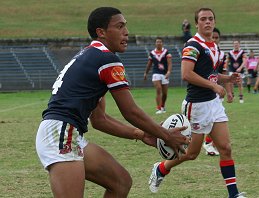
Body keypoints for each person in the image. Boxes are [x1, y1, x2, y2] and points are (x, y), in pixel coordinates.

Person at [35, 7, 189, 198]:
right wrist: (166, 135)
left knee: (121, 182)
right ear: (101, 32)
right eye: (120, 26)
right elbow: (130, 111)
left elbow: (99, 120)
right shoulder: (107, 59)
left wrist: (142, 134)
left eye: (126, 26)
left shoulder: (91, 56)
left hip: (65, 132)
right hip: (61, 133)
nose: (126, 32)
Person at [148, 8, 246, 198]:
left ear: (215, 22)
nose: (207, 22)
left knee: (225, 148)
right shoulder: (192, 45)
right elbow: (187, 74)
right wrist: (213, 86)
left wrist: (227, 78)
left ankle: (233, 194)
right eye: (203, 19)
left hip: (213, 104)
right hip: (197, 106)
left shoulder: (214, 46)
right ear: (197, 23)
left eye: (210, 18)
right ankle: (161, 168)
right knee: (192, 154)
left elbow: (210, 74)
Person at [203, 27, 233, 156]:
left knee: (216, 119)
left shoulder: (221, 54)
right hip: (204, 93)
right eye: (212, 37)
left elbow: (223, 74)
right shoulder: (203, 51)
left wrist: (230, 91)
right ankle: (207, 142)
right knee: (209, 120)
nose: (214, 39)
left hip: (218, 91)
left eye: (216, 38)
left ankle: (209, 142)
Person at [144, 37, 172, 114]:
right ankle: (158, 108)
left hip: (164, 74)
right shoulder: (152, 53)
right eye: (157, 42)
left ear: (162, 43)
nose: (158, 43)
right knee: (158, 89)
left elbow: (169, 63)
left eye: (160, 42)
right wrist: (146, 73)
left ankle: (162, 106)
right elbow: (149, 64)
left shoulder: (166, 52)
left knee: (165, 93)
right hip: (156, 73)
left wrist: (169, 72)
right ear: (155, 43)